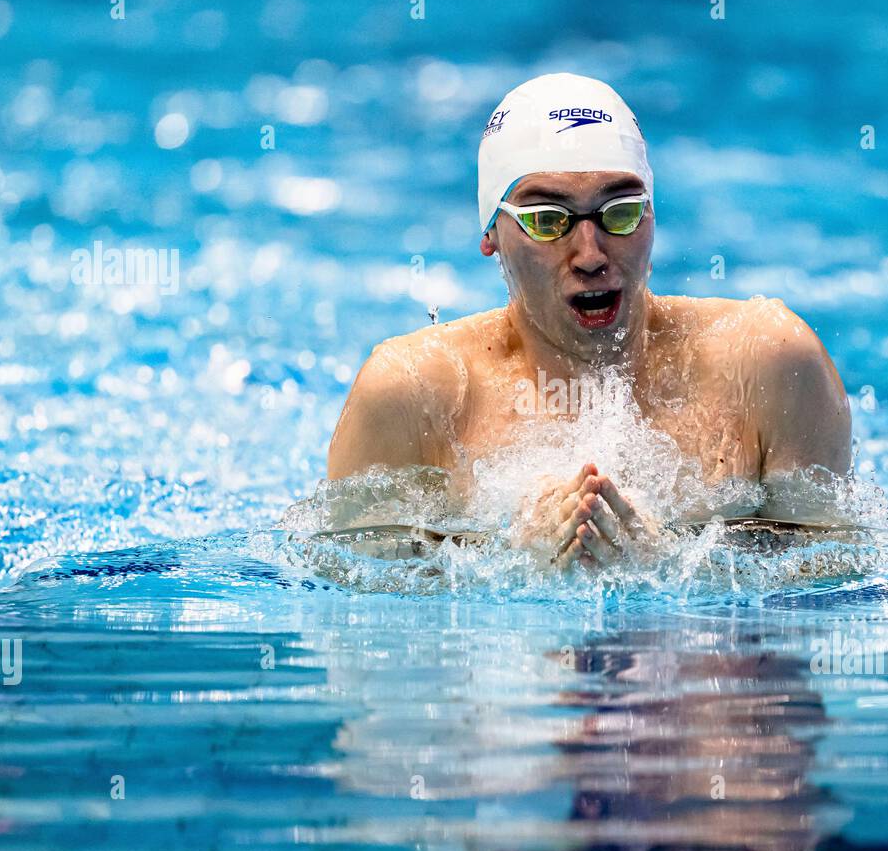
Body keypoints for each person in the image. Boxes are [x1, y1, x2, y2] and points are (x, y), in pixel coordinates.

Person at [327, 73, 850, 569]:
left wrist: (668, 565)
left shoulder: (769, 364)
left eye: (619, 211)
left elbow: (834, 586)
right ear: (491, 234)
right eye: (548, 221)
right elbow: (353, 609)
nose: (590, 254)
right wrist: (513, 563)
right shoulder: (412, 394)